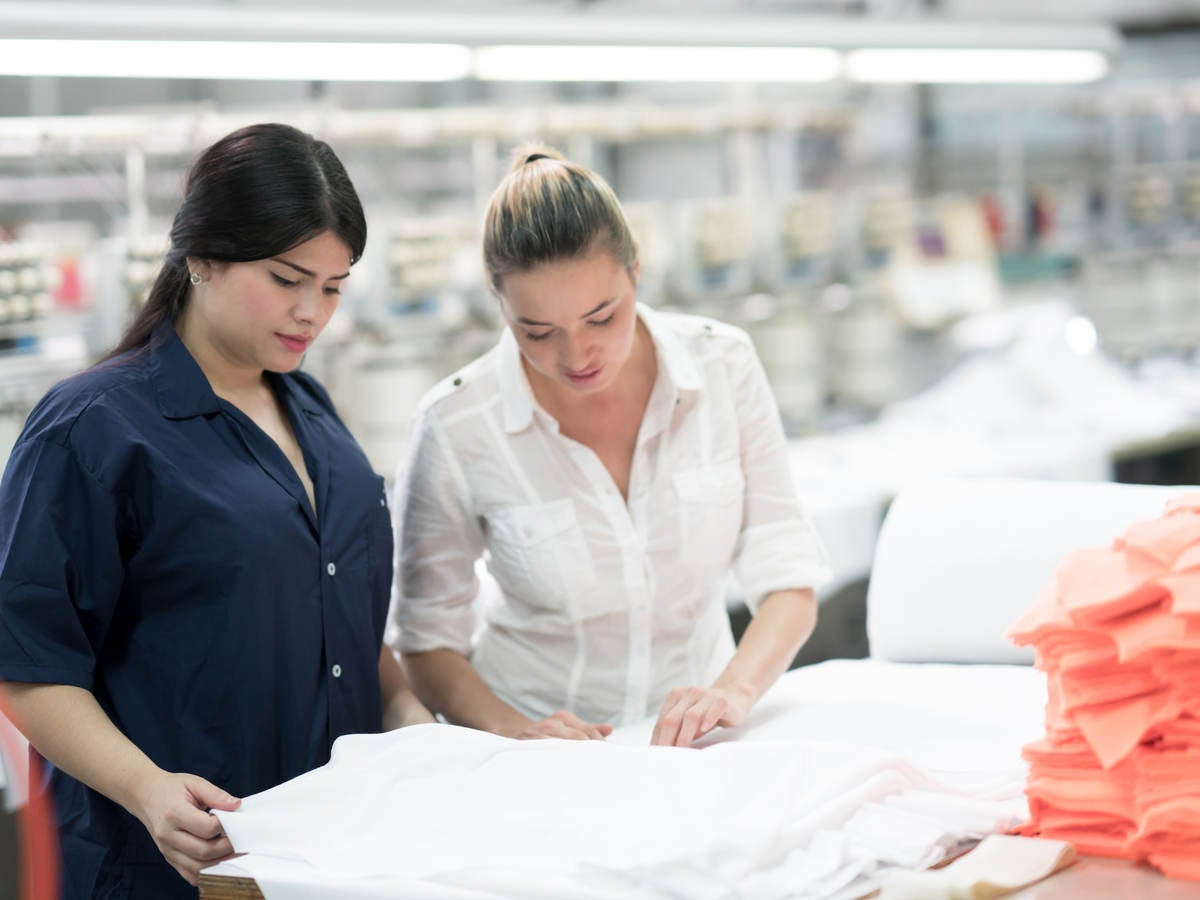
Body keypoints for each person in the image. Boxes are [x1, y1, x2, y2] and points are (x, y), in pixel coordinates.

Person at [0, 123, 432, 898]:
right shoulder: (94, 427)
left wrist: (408, 718)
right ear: (200, 256)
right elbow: (29, 664)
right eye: (287, 278)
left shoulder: (312, 409)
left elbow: (342, 616)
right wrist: (147, 787)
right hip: (172, 864)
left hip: (327, 854)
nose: (313, 313)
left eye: (333, 288)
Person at [391, 145, 831, 748]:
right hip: (537, 752)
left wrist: (732, 691)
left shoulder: (723, 365)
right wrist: (514, 730)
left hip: (698, 744)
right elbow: (425, 641)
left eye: (602, 317)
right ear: (500, 305)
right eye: (537, 332)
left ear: (636, 272)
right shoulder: (457, 423)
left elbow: (787, 576)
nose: (576, 356)